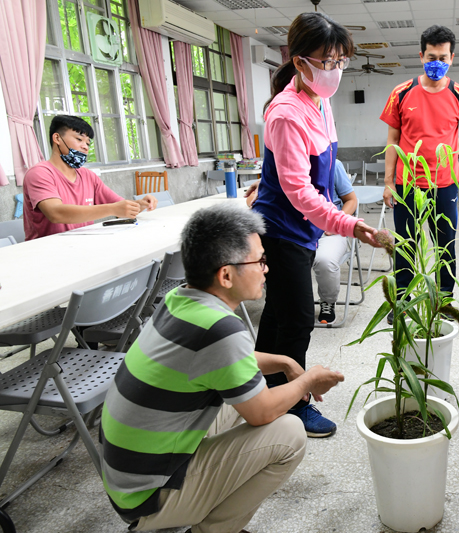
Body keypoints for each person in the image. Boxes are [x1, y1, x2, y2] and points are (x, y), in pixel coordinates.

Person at [100, 205, 345, 533]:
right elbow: (261, 412)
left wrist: (286, 363)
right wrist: (309, 379)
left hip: (129, 475)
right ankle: (211, 529)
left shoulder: (182, 299)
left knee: (238, 396)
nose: (267, 268)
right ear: (226, 275)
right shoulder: (219, 328)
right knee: (289, 434)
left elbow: (230, 359)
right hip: (149, 497)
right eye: (259, 260)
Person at [247, 12, 381, 438]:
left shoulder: (320, 103)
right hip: (281, 227)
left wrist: (336, 220)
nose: (335, 70)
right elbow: (297, 190)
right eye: (327, 61)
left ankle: (261, 392)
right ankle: (294, 401)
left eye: (341, 61)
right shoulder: (285, 112)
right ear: (300, 61)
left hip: (303, 229)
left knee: (281, 314)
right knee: (299, 316)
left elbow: (321, 175)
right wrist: (348, 224)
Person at [379, 24, 459, 323]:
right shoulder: (401, 92)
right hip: (407, 183)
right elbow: (392, 142)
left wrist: (454, 150)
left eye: (443, 57)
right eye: (431, 56)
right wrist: (388, 183)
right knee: (405, 246)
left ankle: (444, 303)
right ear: (421, 56)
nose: (437, 62)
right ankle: (402, 302)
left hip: (444, 183)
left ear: (452, 58)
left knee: (445, 245)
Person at [22, 115, 157, 240]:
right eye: (79, 139)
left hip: (84, 245)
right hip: (48, 252)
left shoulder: (87, 176)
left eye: (87, 143)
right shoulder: (39, 173)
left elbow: (120, 208)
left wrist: (140, 204)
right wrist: (112, 208)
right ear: (57, 138)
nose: (85, 147)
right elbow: (56, 213)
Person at [314, 160, 357, 324]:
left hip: (329, 229)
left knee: (324, 261)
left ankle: (328, 302)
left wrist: (336, 222)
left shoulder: (333, 164)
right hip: (299, 228)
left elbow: (351, 200)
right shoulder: (291, 162)